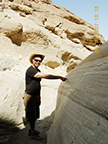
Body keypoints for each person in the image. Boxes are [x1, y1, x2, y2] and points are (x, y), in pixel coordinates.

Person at [23, 53, 67, 140]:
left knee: (35, 115)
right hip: (30, 96)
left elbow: (38, 84)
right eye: (36, 60)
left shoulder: (37, 70)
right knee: (32, 115)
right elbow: (45, 76)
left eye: (40, 61)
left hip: (35, 96)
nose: (38, 62)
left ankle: (32, 130)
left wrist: (39, 97)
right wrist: (59, 77)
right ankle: (32, 134)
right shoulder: (30, 70)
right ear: (32, 60)